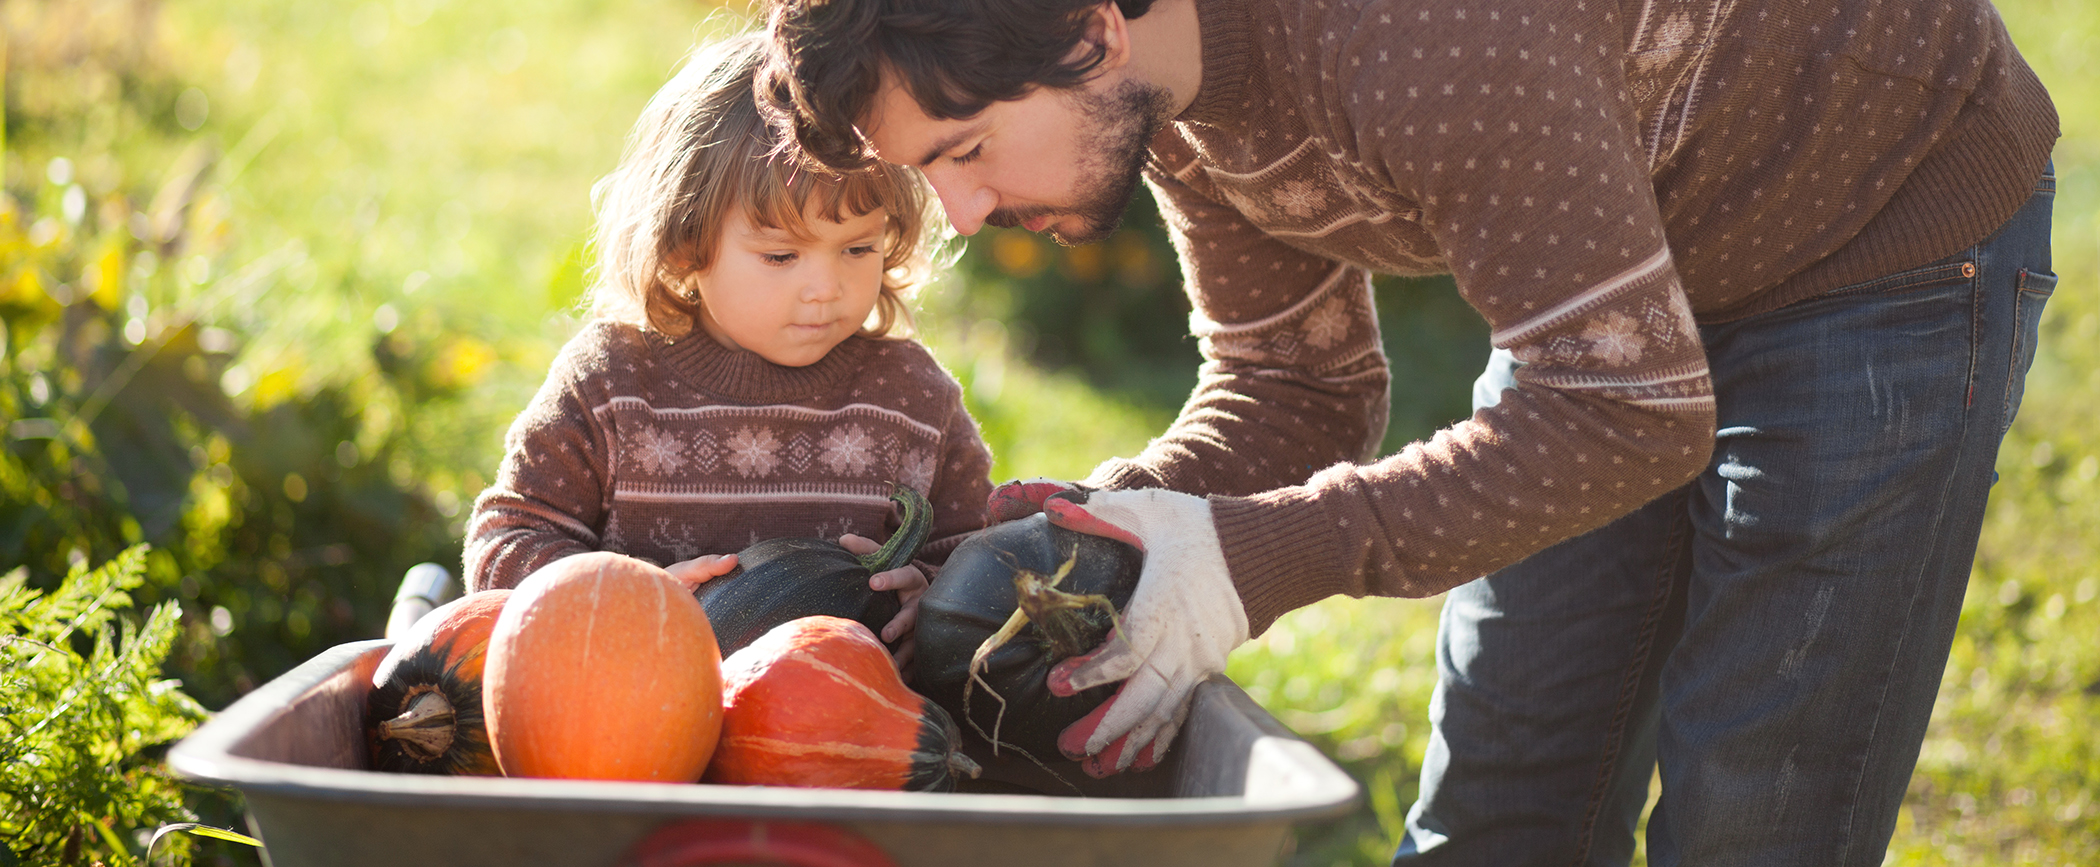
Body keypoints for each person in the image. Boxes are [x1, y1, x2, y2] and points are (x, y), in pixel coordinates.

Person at [755, 0, 2058, 863]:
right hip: (1601, 294)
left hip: (1870, 234)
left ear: (1093, 30)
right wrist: (1120, 525)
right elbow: (1294, 383)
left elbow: (1621, 409)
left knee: (1753, 817)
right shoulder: (1162, 84)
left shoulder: (1422, 42)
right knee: (1501, 805)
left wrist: (1262, 551)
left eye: (966, 151)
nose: (965, 215)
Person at [465, 33, 994, 665]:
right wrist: (628, 598)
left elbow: (984, 565)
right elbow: (507, 542)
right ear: (687, 244)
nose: (825, 288)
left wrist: (930, 602)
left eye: (858, 248)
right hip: (629, 723)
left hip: (840, 735)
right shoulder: (612, 384)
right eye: (780, 255)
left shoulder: (912, 398)